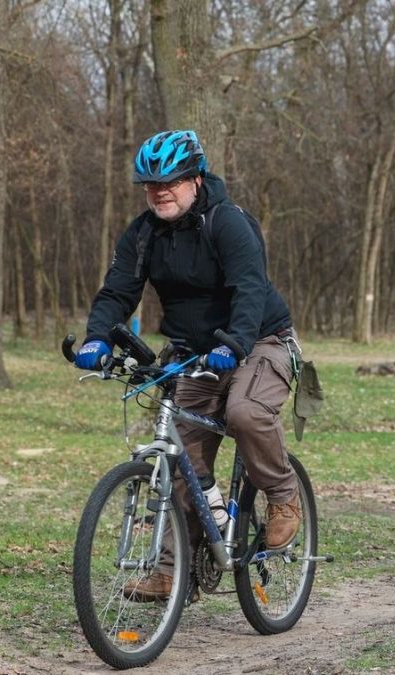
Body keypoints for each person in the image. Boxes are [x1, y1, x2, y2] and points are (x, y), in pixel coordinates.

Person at [74, 130, 301, 600]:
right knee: (178, 458)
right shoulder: (142, 234)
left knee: (244, 413)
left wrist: (235, 343)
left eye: (171, 181)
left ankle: (283, 496)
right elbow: (117, 291)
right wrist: (97, 337)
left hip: (260, 339)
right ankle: (174, 572)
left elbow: (250, 290)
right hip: (196, 352)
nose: (160, 191)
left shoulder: (228, 222)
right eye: (150, 184)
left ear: (195, 178)